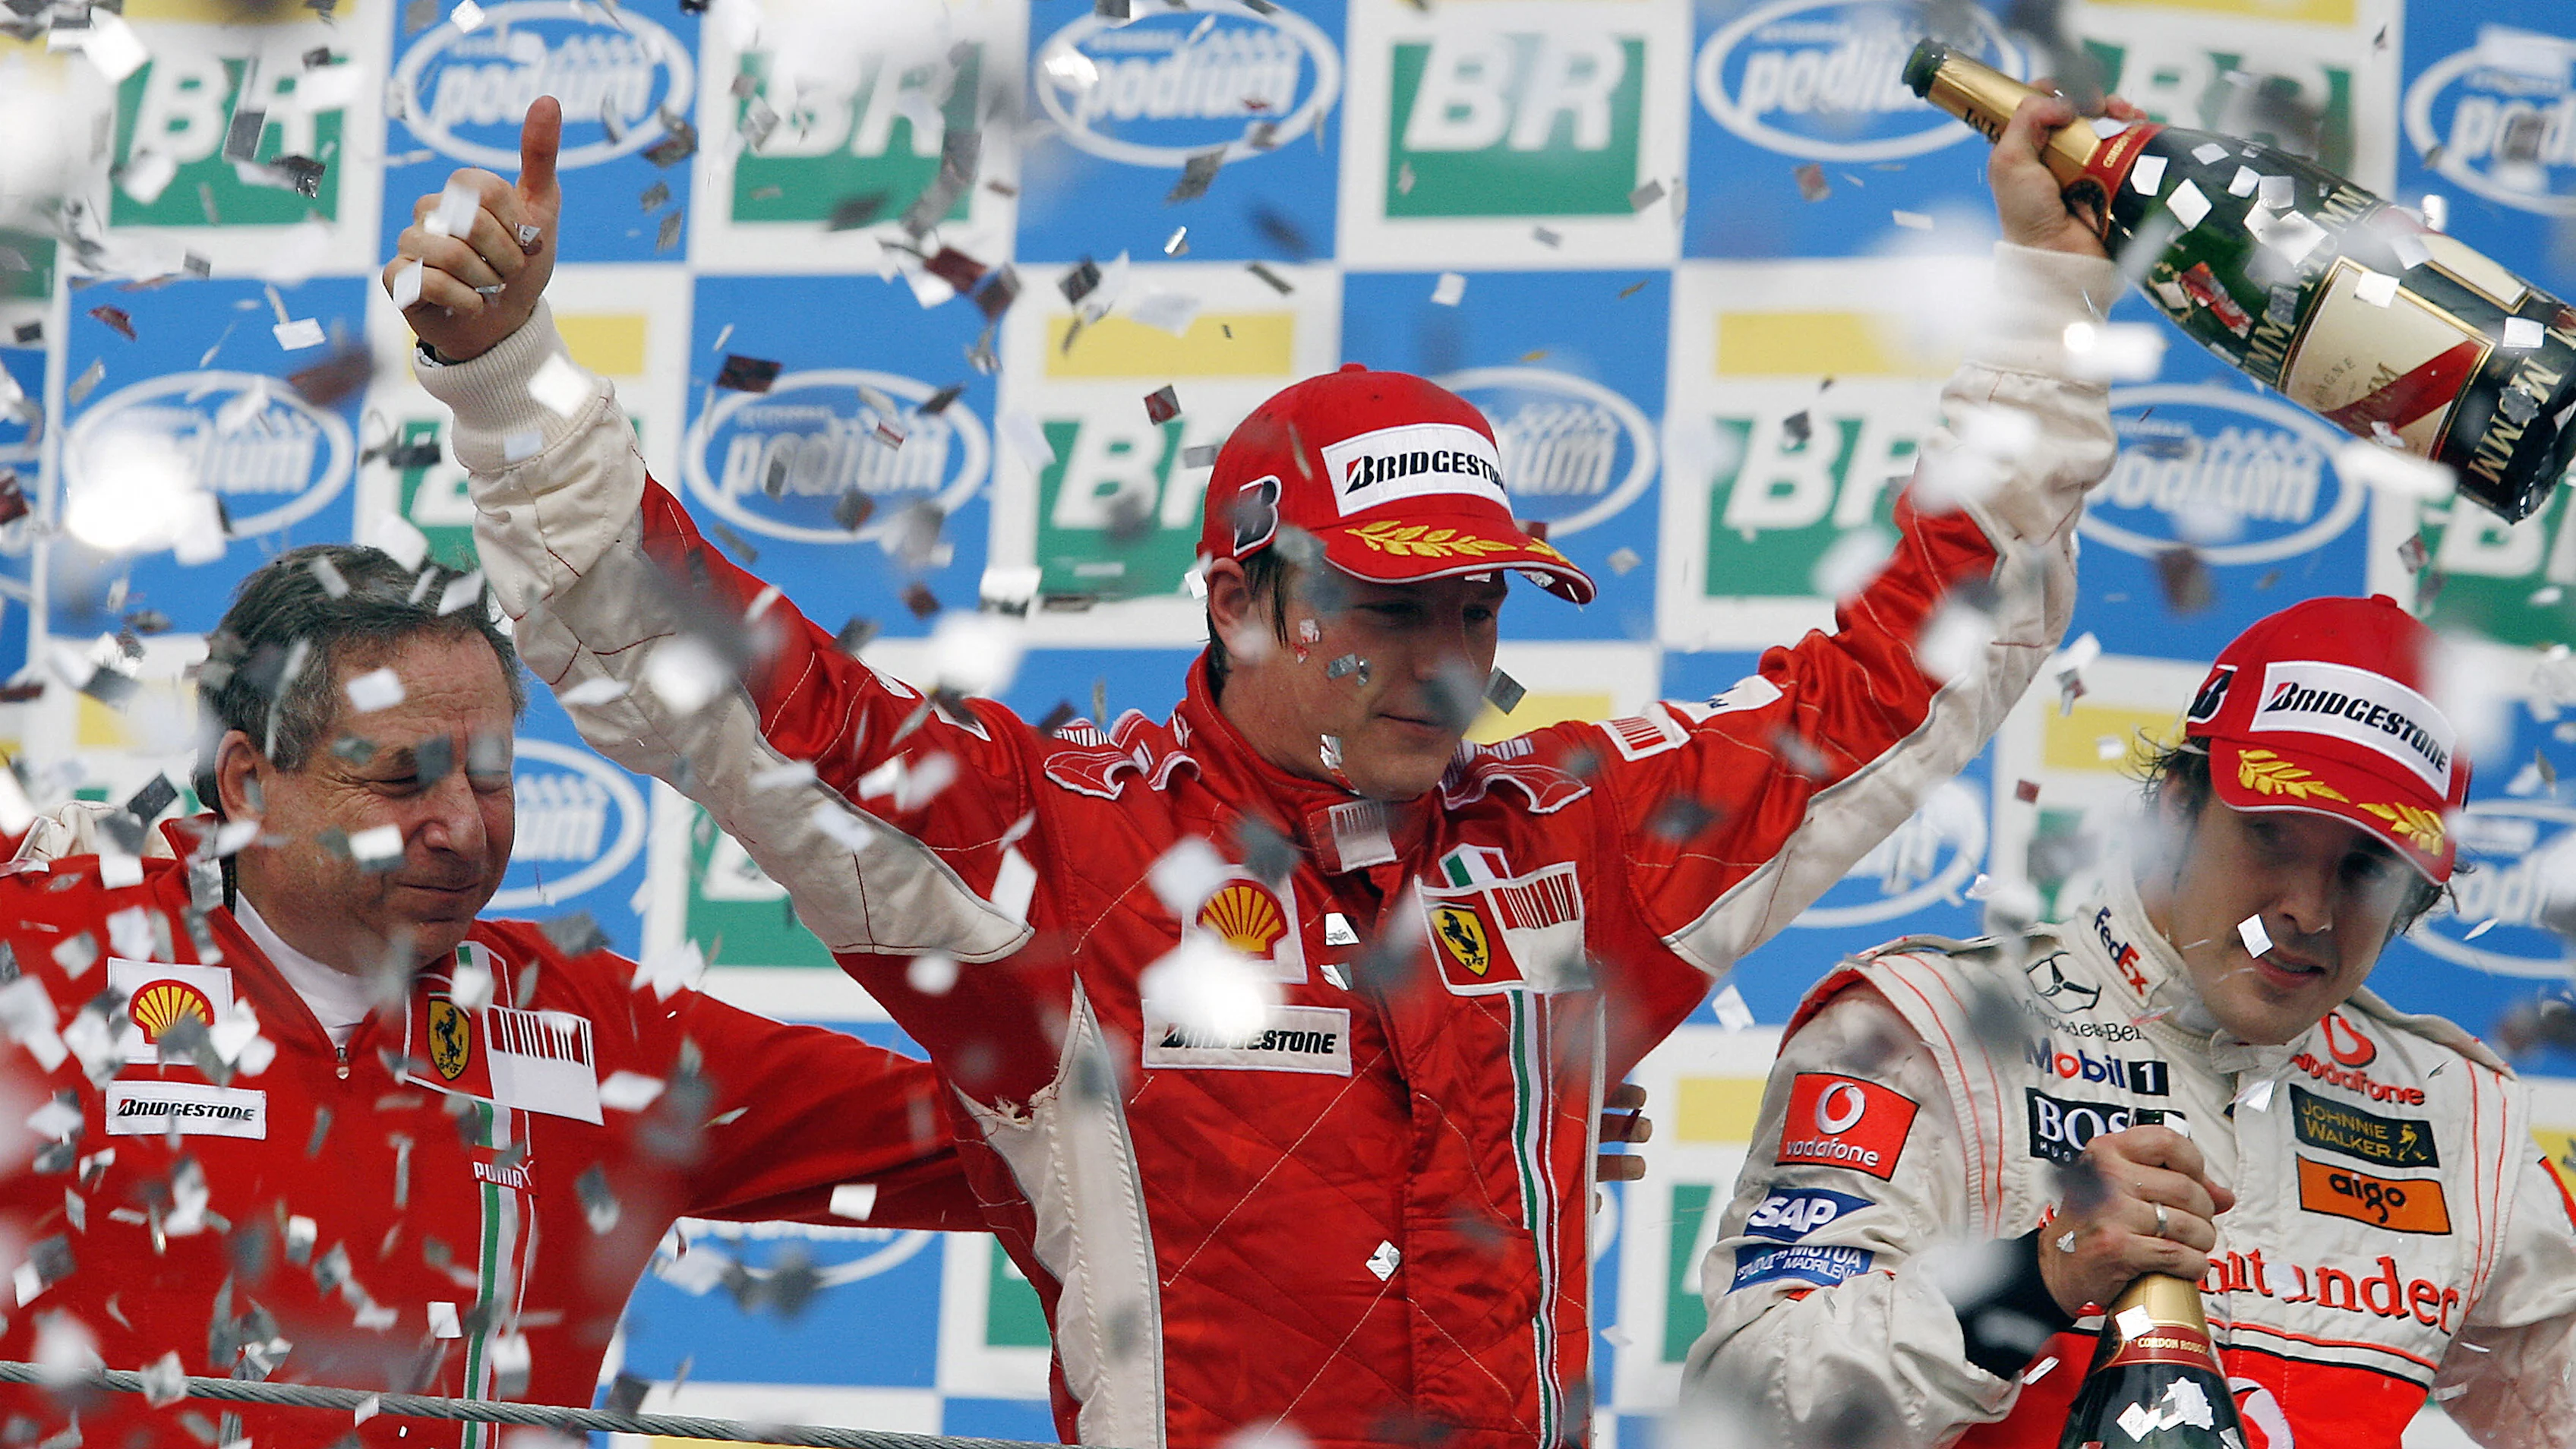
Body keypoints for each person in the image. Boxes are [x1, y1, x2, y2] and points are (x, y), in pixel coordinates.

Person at [387, 84, 2130, 1449]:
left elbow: (1906, 670)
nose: (1447, 664)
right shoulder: (1046, 852)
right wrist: (511, 386)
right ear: (1235, 596)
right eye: (1387, 609)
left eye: (1472, 609)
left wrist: (2047, 305)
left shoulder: (1565, 849)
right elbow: (719, 679)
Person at [0, 546, 981, 1448]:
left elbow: (1009, 1140)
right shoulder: (47, 950)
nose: (463, 830)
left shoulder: (596, 1032)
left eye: (493, 778)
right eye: (404, 780)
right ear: (250, 784)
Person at [1687, 594, 2576, 1448]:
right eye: (2270, 832)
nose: (2306, 909)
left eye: (2366, 867)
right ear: (2174, 807)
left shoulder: (2458, 1121)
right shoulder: (1929, 1031)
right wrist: (2035, 1278)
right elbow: (1747, 1412)